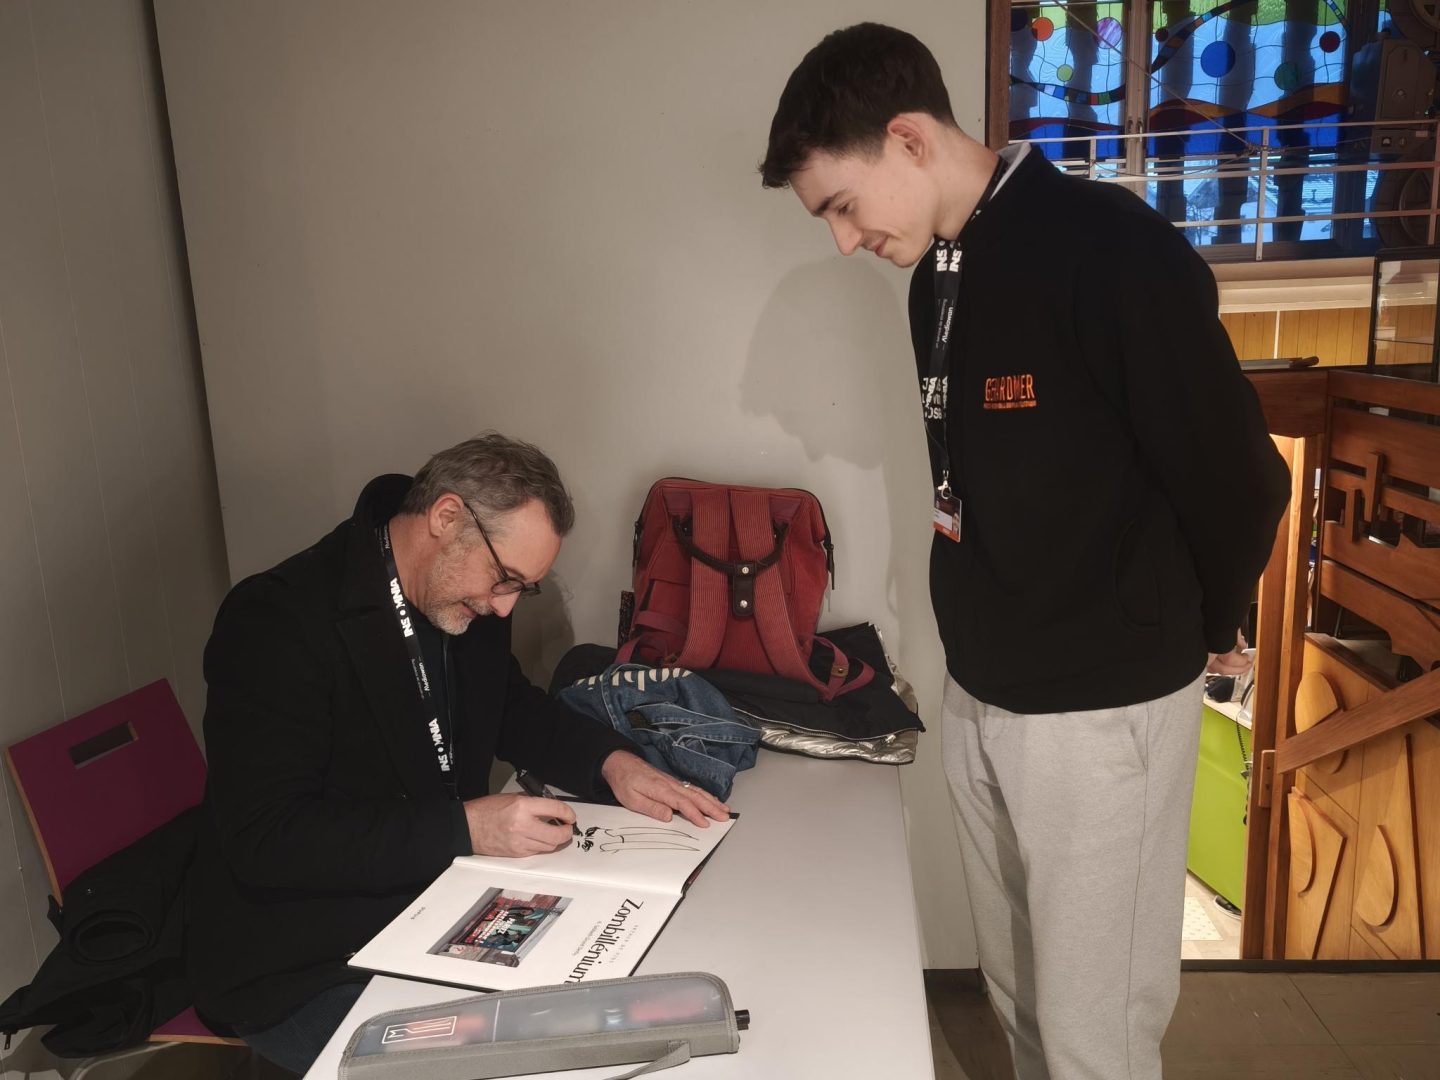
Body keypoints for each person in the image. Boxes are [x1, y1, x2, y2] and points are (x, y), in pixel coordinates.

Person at [760, 24, 1290, 1080]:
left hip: (1102, 704)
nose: (845, 241)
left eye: (843, 206)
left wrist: (1209, 624)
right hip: (983, 689)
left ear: (910, 140)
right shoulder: (935, 278)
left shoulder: (1109, 248)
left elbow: (1240, 476)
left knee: (1097, 1028)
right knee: (1019, 997)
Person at [186, 433, 727, 1074]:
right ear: (446, 517)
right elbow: (267, 837)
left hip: (432, 906)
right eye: (505, 580)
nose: (503, 606)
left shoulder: (459, 597)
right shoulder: (275, 621)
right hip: (304, 958)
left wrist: (614, 762)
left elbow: (511, 707)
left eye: (521, 589)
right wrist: (466, 827)